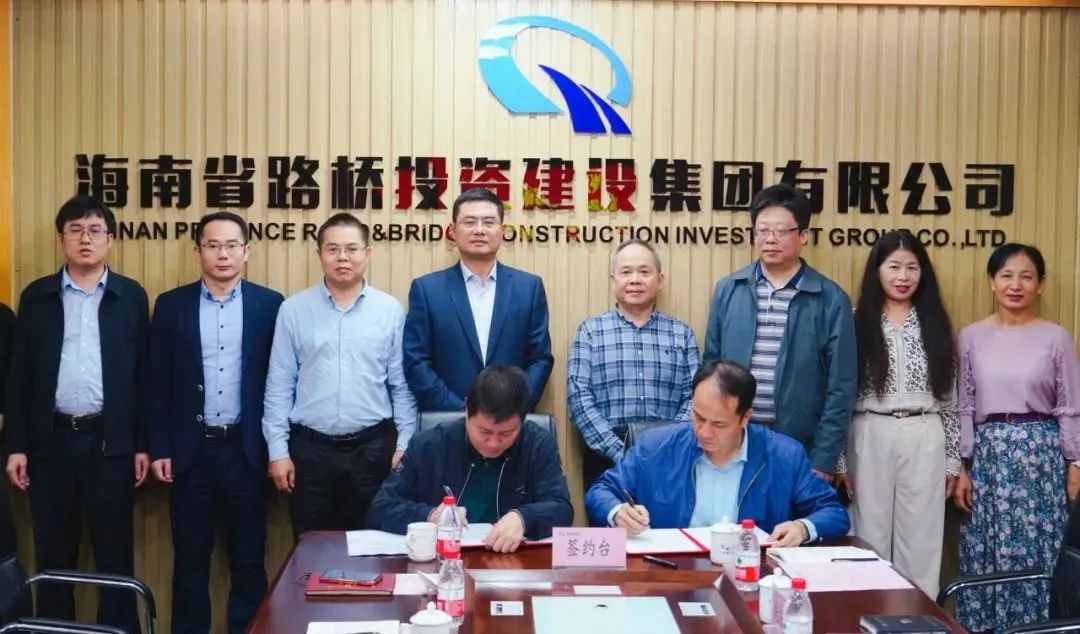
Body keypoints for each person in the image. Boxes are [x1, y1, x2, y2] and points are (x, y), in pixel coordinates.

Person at [3, 196, 149, 632]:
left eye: (95, 230)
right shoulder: (37, 297)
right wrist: (17, 447)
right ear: (61, 238)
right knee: (53, 555)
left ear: (111, 239)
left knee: (114, 555)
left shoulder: (131, 296)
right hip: (51, 443)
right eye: (76, 230)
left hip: (111, 443)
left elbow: (144, 376)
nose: (86, 239)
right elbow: (20, 378)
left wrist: (142, 444)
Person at [147, 212, 284, 634]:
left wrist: (276, 449)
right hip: (190, 453)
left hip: (246, 451)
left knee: (249, 561)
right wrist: (160, 447)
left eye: (231, 245)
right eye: (213, 245)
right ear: (198, 251)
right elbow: (156, 382)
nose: (223, 254)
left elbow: (280, 381)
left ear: (247, 250)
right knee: (190, 562)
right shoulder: (171, 306)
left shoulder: (271, 305)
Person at [262, 213, 417, 538]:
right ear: (319, 254)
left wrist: (404, 444)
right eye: (333, 249)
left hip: (372, 451)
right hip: (310, 453)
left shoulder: (389, 310)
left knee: (373, 547)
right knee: (311, 549)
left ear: (367, 253)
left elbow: (401, 386)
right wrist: (278, 451)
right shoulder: (294, 310)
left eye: (351, 249)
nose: (342, 257)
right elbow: (279, 385)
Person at [952, 243, 1080, 631]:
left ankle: (1036, 626)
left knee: (1041, 548)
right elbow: (963, 405)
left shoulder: (1056, 337)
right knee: (988, 546)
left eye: (1026, 276)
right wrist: (961, 465)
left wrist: (1075, 462)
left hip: (1041, 457)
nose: (1016, 285)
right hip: (988, 458)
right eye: (1006, 275)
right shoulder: (970, 336)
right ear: (992, 282)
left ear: (1040, 285)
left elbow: (1069, 405)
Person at [585, 359, 849, 545]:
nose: (704, 432)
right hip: (671, 571)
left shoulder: (784, 455)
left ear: (745, 417)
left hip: (751, 572)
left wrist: (802, 528)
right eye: (698, 417)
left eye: (719, 424)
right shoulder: (655, 447)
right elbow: (601, 491)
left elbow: (833, 513)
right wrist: (617, 512)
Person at [703, 183, 857, 479]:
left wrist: (824, 457)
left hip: (798, 447)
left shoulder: (830, 299)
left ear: (803, 236)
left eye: (781, 231)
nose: (769, 239)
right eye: (762, 230)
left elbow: (841, 387)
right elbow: (711, 366)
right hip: (733, 440)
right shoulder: (729, 290)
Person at [841, 230, 959, 596]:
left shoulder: (934, 322)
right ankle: (865, 614)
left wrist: (953, 460)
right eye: (893, 267)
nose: (903, 276)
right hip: (869, 431)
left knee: (921, 537)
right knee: (867, 532)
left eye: (912, 267)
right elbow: (840, 394)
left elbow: (950, 400)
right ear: (877, 270)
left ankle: (916, 616)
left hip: (924, 432)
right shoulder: (855, 322)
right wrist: (840, 459)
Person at [369, 366, 573, 551]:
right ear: (466, 410)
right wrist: (431, 516)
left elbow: (562, 509)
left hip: (513, 563)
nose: (493, 443)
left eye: (506, 433)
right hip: (443, 561)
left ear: (522, 420)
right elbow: (381, 507)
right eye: (484, 431)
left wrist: (524, 518)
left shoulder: (537, 445)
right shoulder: (428, 445)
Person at [403, 187, 553, 412]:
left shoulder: (529, 288)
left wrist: (512, 408)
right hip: (447, 420)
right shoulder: (427, 290)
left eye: (489, 222)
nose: (479, 230)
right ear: (453, 231)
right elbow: (416, 361)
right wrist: (461, 411)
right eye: (470, 222)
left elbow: (540, 359)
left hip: (511, 422)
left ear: (502, 231)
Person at [567, 239, 699, 488]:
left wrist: (666, 447)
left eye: (644, 272)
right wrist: (620, 453)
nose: (635, 280)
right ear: (613, 279)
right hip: (606, 456)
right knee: (611, 515)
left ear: (659, 279)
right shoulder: (590, 331)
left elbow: (695, 398)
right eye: (626, 272)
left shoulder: (681, 334)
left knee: (666, 517)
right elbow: (579, 399)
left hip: (670, 456)